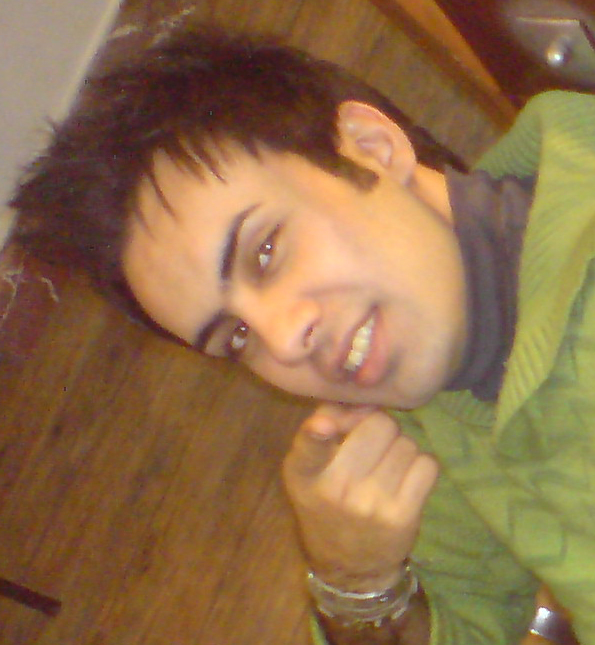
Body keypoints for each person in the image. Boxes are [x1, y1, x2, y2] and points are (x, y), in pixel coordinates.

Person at [10, 25, 594, 645]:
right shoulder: (424, 425)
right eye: (236, 336)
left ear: (372, 148)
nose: (284, 340)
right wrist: (357, 581)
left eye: (265, 251)